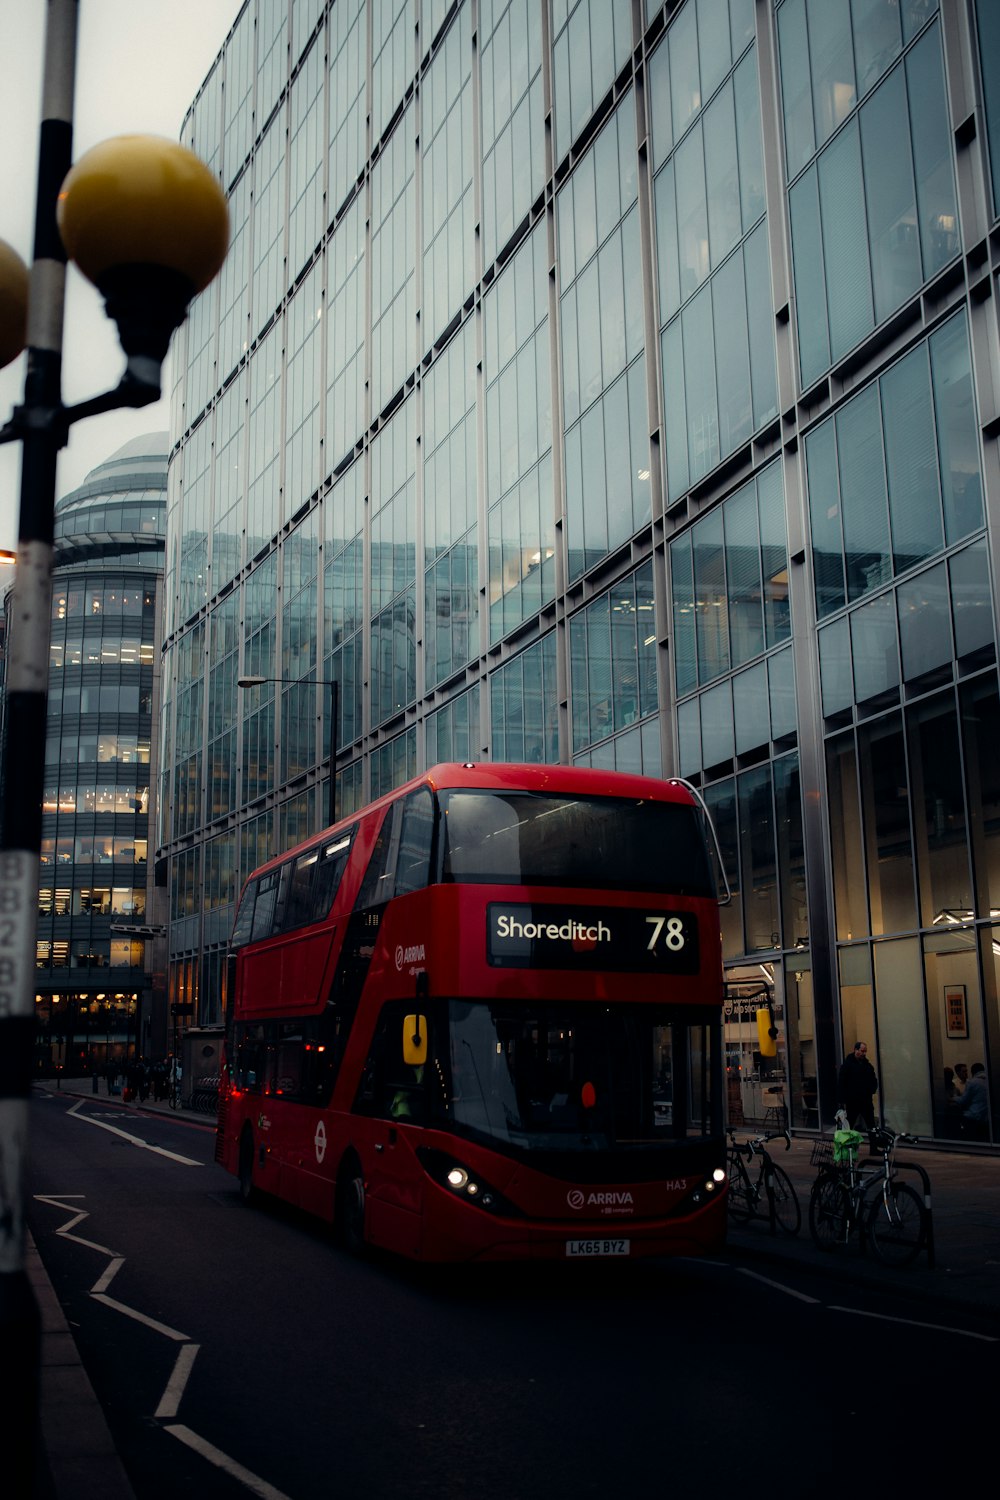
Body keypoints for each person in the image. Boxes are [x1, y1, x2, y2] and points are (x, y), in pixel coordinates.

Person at [837, 1040, 878, 1132]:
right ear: (856, 1050)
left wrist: (871, 1090)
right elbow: (841, 1083)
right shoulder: (847, 1065)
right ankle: (847, 1145)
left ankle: (874, 1146)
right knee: (849, 1124)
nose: (864, 1053)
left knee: (871, 1125)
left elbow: (873, 1080)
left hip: (865, 1100)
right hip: (852, 1101)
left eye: (865, 1051)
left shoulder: (867, 1065)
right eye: (862, 1051)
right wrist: (842, 1100)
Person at [957, 1063, 988, 1142]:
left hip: (973, 1116)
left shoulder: (972, 1082)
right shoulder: (989, 1081)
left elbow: (963, 1101)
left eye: (966, 1071)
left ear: (972, 1072)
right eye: (964, 1071)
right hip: (985, 1117)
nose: (966, 1073)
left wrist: (953, 1098)